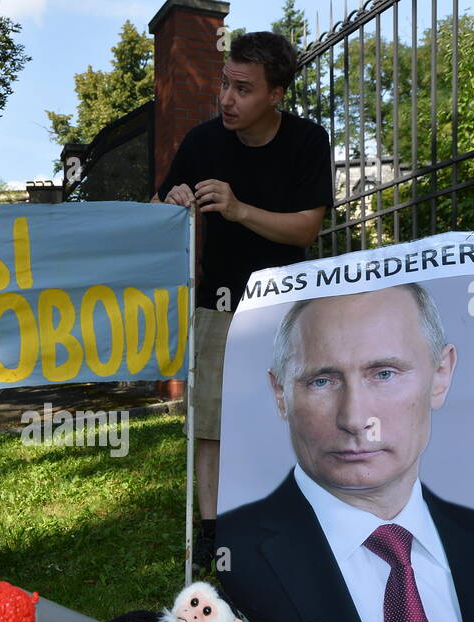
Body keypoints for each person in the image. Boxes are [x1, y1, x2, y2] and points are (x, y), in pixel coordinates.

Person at [217, 283, 474, 622]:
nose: (355, 418)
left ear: (441, 374)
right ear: (281, 394)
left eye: (384, 373)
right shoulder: (236, 554)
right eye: (322, 380)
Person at [153, 31, 333, 569]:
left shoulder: (306, 141)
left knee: (293, 414)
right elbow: (160, 202)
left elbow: (305, 229)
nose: (227, 99)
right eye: (225, 85)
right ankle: (213, 530)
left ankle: (292, 514)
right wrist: (175, 199)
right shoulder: (203, 142)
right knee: (209, 420)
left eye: (243, 89)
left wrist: (238, 209)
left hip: (286, 302)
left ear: (276, 94)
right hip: (219, 300)